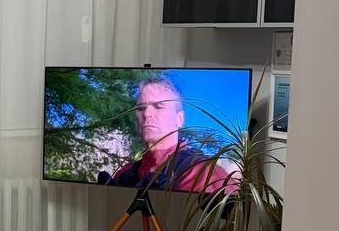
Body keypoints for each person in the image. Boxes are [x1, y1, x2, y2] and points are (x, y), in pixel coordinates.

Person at [101, 75, 237, 193]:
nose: (147, 114)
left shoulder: (206, 175)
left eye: (159, 106)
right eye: (141, 108)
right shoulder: (125, 172)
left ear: (179, 119)